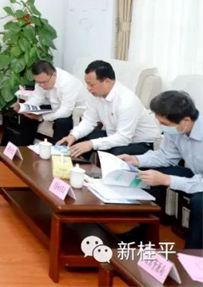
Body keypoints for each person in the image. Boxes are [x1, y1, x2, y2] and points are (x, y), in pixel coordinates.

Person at [118, 90, 201, 249]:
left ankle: (193, 254)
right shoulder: (177, 128)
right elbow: (165, 156)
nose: (162, 127)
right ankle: (144, 234)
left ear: (186, 120)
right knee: (150, 174)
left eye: (165, 124)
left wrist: (166, 179)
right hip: (197, 175)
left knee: (200, 201)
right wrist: (136, 160)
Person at [57, 60, 160, 158]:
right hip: (114, 135)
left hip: (142, 142)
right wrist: (73, 136)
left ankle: (94, 170)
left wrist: (91, 144)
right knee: (80, 140)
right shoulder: (95, 95)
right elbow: (89, 121)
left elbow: (123, 138)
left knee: (116, 153)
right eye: (87, 84)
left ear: (107, 81)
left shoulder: (127, 101)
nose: (88, 88)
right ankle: (77, 167)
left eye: (91, 84)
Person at [1, 61, 84, 146]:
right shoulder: (41, 81)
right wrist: (24, 107)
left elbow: (65, 111)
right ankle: (24, 148)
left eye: (44, 82)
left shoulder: (68, 82)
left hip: (72, 113)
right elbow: (37, 98)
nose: (41, 85)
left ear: (54, 74)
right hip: (54, 108)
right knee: (27, 116)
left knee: (62, 123)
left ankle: (55, 151)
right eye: (38, 82)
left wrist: (41, 117)